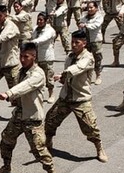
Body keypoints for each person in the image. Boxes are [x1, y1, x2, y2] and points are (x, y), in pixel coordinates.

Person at [0, 42, 58, 173]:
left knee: (38, 149)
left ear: (33, 57)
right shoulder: (22, 71)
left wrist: (9, 94)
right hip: (19, 115)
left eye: (25, 57)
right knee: (6, 141)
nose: (22, 59)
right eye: (21, 56)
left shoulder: (38, 74)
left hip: (32, 118)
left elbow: (26, 86)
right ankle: (6, 166)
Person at [45, 29, 108, 163]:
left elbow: (78, 68)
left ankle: (99, 148)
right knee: (50, 120)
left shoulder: (88, 58)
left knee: (91, 127)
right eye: (72, 42)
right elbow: (67, 76)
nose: (73, 45)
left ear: (84, 43)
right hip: (66, 97)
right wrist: (63, 79)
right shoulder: (70, 57)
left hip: (80, 99)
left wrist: (63, 74)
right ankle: (48, 143)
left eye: (76, 42)